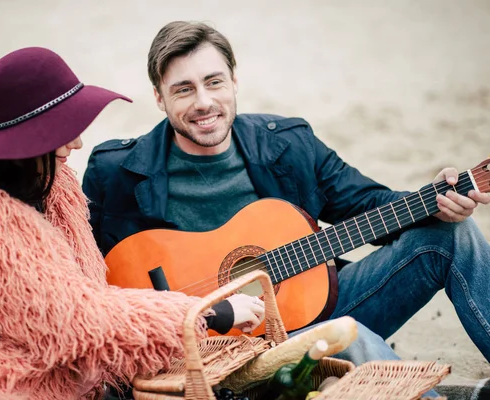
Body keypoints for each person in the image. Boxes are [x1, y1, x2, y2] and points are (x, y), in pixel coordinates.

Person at [82, 20, 490, 366]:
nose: (204, 102)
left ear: (234, 80)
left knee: (454, 235)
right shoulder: (114, 171)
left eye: (214, 82)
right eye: (184, 89)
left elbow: (369, 205)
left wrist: (437, 201)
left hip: (309, 312)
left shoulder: (288, 144)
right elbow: (83, 279)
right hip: (196, 349)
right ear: (159, 97)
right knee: (361, 343)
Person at [0, 47, 267, 400]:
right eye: (66, 129)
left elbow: (85, 299)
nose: (80, 143)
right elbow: (76, 322)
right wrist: (205, 314)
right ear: (34, 140)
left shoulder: (53, 187)